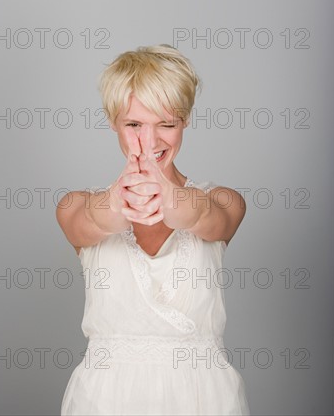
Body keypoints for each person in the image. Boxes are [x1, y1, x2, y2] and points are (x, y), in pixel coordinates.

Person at [56, 44, 250, 415]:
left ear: (186, 121)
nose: (151, 141)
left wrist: (167, 196)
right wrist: (120, 199)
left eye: (167, 124)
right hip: (104, 399)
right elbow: (92, 221)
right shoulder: (74, 205)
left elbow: (204, 217)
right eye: (134, 125)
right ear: (113, 121)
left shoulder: (225, 201)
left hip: (203, 398)